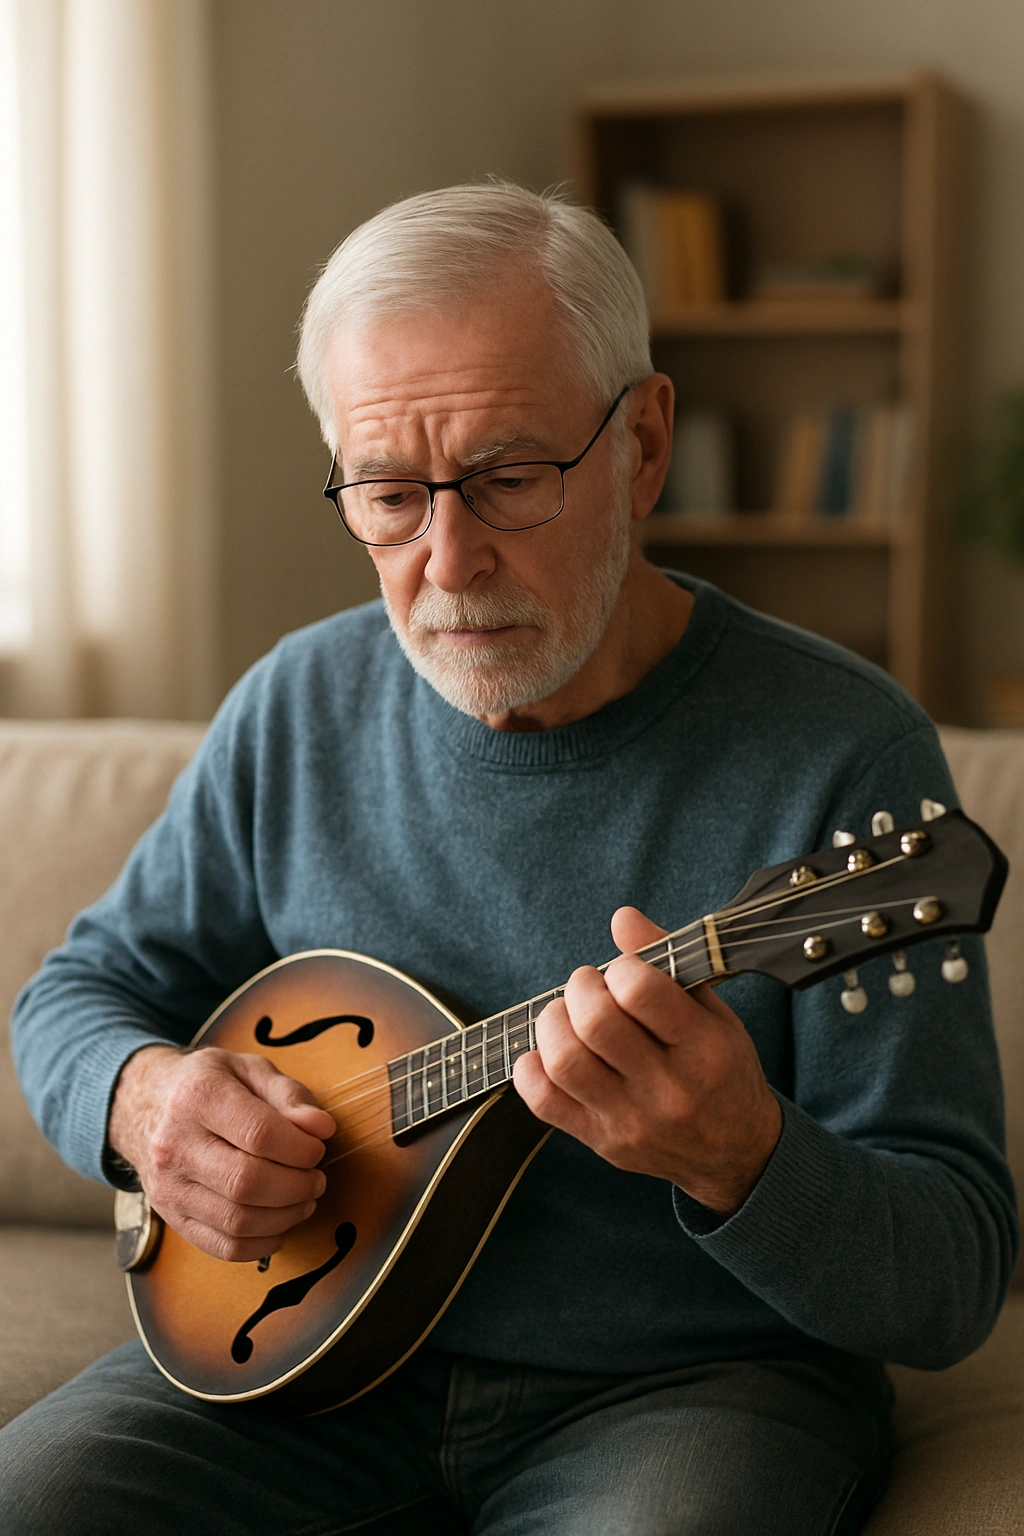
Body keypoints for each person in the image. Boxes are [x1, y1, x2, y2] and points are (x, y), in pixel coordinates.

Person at [0, 182, 1016, 1536]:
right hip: (302, 1367)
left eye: (509, 477)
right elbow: (74, 994)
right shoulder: (296, 707)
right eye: (386, 492)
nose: (448, 557)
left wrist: (743, 1154)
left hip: (688, 1393)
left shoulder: (843, 756)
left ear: (644, 443)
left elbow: (949, 1279)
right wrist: (146, 1106)